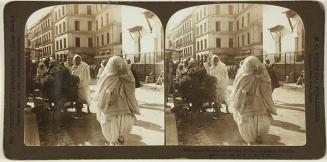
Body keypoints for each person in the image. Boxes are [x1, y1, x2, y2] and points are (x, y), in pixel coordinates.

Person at [93, 56, 140, 146]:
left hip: (123, 103)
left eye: (120, 66)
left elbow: (131, 84)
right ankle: (113, 140)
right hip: (110, 104)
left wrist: (125, 78)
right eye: (117, 66)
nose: (119, 68)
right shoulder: (106, 77)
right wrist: (108, 94)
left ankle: (121, 136)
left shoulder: (125, 76)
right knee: (111, 123)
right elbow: (102, 91)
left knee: (124, 122)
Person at [230, 56, 277, 145]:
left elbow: (267, 84)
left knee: (259, 119)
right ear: (247, 66)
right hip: (246, 102)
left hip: (258, 102)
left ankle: (259, 135)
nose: (255, 67)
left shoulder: (260, 76)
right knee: (247, 121)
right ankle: (250, 139)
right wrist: (244, 94)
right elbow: (237, 89)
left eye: (256, 65)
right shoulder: (243, 77)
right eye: (252, 65)